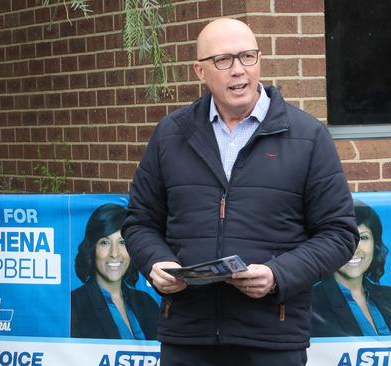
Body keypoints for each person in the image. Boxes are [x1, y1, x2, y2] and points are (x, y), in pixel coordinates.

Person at [122, 18, 358, 366]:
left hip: (272, 339)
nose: (238, 70)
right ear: (199, 71)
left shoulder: (308, 137)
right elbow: (139, 222)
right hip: (188, 337)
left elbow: (339, 233)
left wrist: (279, 275)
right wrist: (156, 262)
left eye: (248, 56)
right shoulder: (170, 135)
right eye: (224, 60)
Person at [311, 200, 391, 337]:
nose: (355, 249)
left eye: (363, 237)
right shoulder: (312, 304)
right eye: (344, 238)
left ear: (375, 244)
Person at [71, 203, 159, 339]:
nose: (114, 253)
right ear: (92, 248)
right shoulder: (75, 305)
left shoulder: (147, 303)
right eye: (105, 242)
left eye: (122, 242)